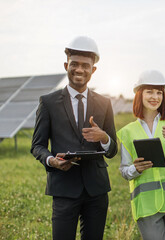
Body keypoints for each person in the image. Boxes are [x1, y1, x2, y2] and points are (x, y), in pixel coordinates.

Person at [31, 36, 118, 240]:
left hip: (96, 190)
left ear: (93, 70)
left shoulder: (105, 103)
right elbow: (37, 145)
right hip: (63, 187)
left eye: (85, 66)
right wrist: (51, 160)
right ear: (66, 65)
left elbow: (113, 150)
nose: (79, 70)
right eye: (74, 64)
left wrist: (104, 137)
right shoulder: (48, 102)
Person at [117, 70, 165, 240]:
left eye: (159, 92)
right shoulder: (128, 132)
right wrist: (135, 169)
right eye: (149, 91)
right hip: (147, 204)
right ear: (139, 94)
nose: (155, 97)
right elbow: (124, 170)